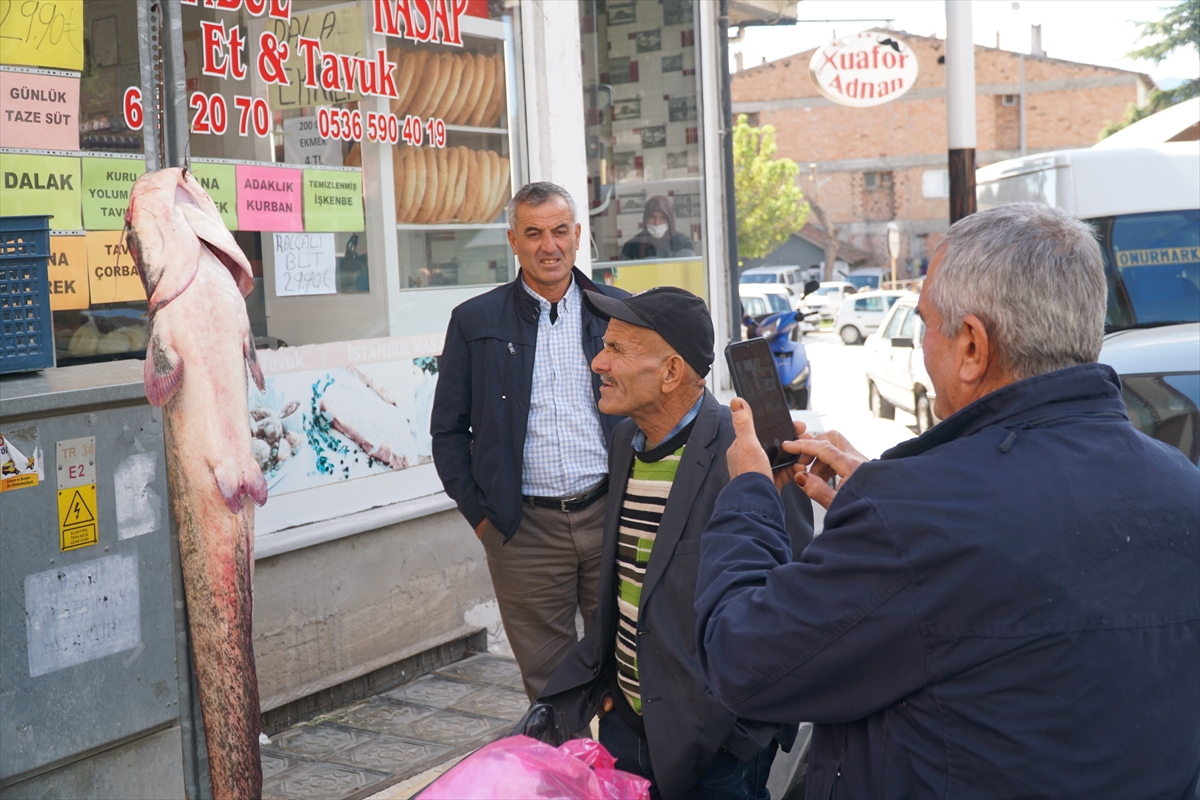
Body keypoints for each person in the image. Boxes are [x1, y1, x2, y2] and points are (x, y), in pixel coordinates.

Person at [694, 203, 1200, 798]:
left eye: (928, 323)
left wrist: (750, 494)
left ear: (972, 347)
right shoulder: (1181, 484)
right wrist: (881, 501)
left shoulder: (917, 514)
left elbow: (741, 656)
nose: (924, 347)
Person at [540, 287, 814, 800]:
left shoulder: (747, 456)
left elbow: (791, 610)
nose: (598, 360)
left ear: (670, 372)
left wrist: (738, 736)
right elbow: (629, 589)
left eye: (618, 350)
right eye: (604, 345)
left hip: (719, 752)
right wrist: (609, 691)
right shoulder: (624, 441)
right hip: (628, 729)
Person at [431, 182, 629, 701]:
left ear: (578, 236)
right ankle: (564, 778)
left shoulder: (620, 315)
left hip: (613, 515)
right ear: (513, 241)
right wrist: (484, 520)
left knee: (630, 670)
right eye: (534, 233)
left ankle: (624, 780)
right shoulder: (475, 322)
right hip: (523, 533)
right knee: (552, 688)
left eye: (560, 231)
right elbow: (447, 431)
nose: (550, 245)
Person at [620, 196, 695, 260]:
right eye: (652, 217)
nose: (657, 223)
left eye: (662, 218)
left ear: (670, 220)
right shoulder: (631, 247)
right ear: (645, 219)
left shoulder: (683, 243)